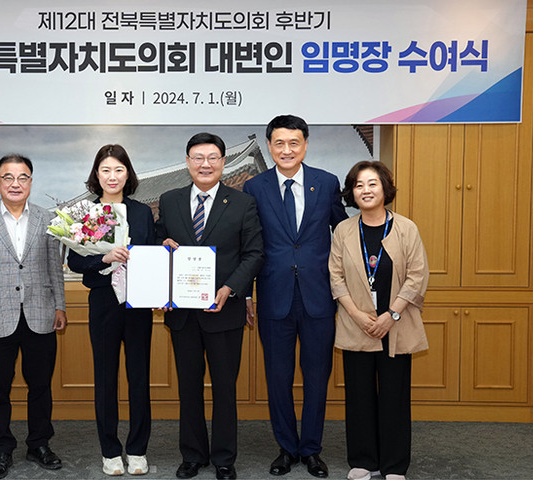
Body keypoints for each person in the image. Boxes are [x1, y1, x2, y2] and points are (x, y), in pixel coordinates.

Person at [242, 114, 347, 478]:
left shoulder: (326, 182)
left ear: (305, 145)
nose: (286, 150)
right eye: (279, 143)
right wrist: (245, 294)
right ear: (269, 146)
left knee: (317, 377)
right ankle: (286, 448)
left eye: (294, 143)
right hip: (274, 295)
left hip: (319, 296)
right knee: (278, 377)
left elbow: (344, 232)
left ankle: (311, 449)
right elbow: (248, 243)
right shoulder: (254, 187)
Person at [156, 132, 264, 480]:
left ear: (223, 162)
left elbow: (254, 253)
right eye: (198, 158)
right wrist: (162, 245)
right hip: (182, 314)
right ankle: (192, 455)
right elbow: (158, 243)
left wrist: (231, 288)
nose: (205, 164)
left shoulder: (243, 203)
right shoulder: (169, 200)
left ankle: (224, 458)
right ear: (188, 162)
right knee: (188, 387)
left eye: (213, 157)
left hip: (225, 311)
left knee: (224, 389)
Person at [0, 154, 67, 480]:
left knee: (41, 387)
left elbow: (54, 268)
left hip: (40, 313)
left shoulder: (47, 219)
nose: (15, 183)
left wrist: (60, 305)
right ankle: (1, 449)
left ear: (31, 182)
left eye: (22, 177)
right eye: (8, 177)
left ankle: (39, 444)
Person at [328, 161, 429, 480]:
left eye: (372, 183)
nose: (366, 190)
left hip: (396, 324)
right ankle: (364, 461)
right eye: (359, 185)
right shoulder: (344, 230)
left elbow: (417, 276)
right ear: (352, 193)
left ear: (385, 188)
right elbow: (335, 277)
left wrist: (392, 314)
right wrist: (357, 315)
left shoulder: (406, 228)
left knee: (394, 396)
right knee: (358, 396)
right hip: (357, 323)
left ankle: (394, 465)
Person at [67, 144, 155, 476]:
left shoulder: (142, 212)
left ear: (128, 174)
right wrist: (103, 257)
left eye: (119, 169)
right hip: (103, 300)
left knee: (139, 377)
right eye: (106, 170)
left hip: (138, 302)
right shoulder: (85, 212)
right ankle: (110, 450)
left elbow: (152, 253)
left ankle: (138, 448)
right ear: (96, 174)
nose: (112, 176)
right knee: (105, 377)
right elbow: (75, 261)